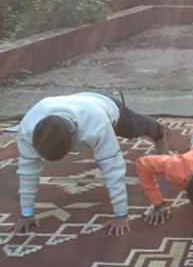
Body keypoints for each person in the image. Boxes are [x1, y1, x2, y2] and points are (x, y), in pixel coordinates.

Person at [15, 92, 168, 237]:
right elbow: (27, 171)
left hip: (103, 104)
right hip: (73, 104)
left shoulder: (96, 126)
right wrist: (26, 214)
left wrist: (121, 215)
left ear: (74, 136)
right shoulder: (27, 129)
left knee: (136, 127)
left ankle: (160, 132)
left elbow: (114, 169)